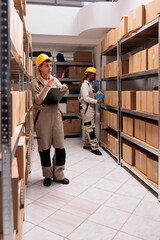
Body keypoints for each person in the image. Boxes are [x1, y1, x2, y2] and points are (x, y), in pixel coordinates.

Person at [30, 53, 69, 187]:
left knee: (60, 147)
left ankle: (59, 175)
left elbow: (65, 93)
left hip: (56, 115)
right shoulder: (34, 83)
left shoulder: (54, 79)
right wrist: (48, 86)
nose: (50, 67)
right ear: (40, 68)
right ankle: (47, 175)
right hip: (43, 117)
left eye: (51, 65)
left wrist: (64, 87)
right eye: (47, 65)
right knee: (44, 148)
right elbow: (38, 100)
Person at [79, 67, 103, 156]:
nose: (95, 77)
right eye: (94, 75)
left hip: (88, 108)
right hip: (87, 108)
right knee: (90, 127)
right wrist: (97, 101)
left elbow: (92, 94)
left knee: (86, 126)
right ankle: (94, 147)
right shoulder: (85, 85)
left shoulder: (89, 85)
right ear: (90, 74)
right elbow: (86, 98)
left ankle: (86, 143)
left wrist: (100, 93)